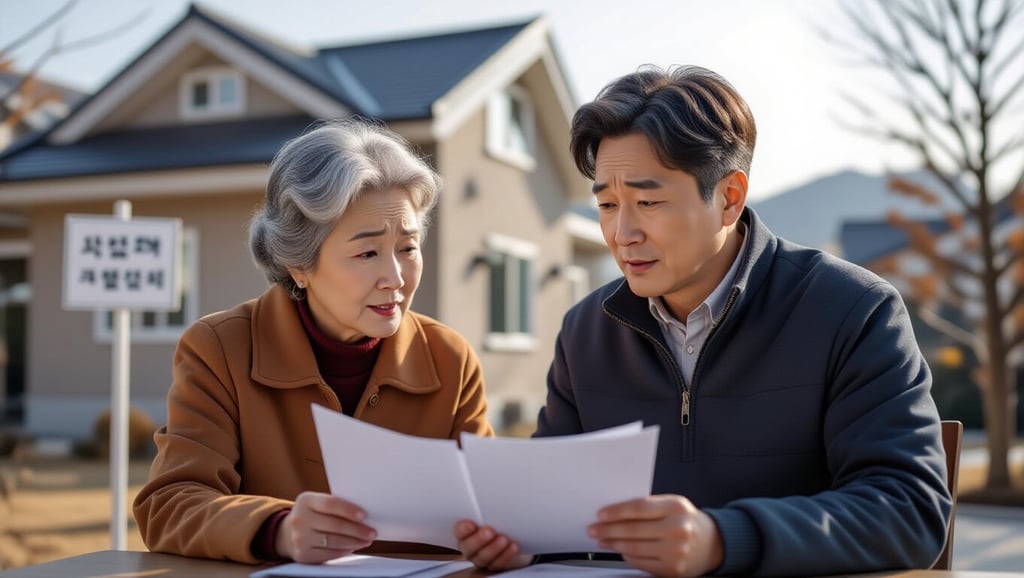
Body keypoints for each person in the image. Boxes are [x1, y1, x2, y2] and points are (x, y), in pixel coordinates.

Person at [455, 65, 952, 577]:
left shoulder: (853, 310)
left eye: (648, 202)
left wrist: (721, 540)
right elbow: (552, 511)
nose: (622, 233)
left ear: (729, 198)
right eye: (606, 204)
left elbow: (910, 511)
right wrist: (521, 544)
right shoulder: (586, 330)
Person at [133, 118, 493, 564]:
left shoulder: (450, 358)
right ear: (298, 264)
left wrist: (499, 539)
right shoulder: (218, 349)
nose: (396, 279)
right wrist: (276, 529)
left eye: (408, 247)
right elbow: (169, 506)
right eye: (367, 253)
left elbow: (490, 508)